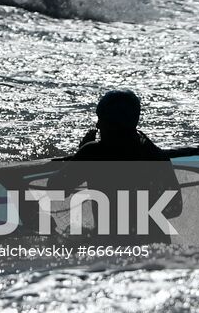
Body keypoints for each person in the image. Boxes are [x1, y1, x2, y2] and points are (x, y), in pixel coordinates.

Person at [48, 89, 182, 241]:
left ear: (114, 123)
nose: (98, 125)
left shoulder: (94, 153)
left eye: (101, 119)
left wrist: (79, 157)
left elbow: (55, 189)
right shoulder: (154, 154)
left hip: (113, 244)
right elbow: (175, 207)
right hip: (156, 244)